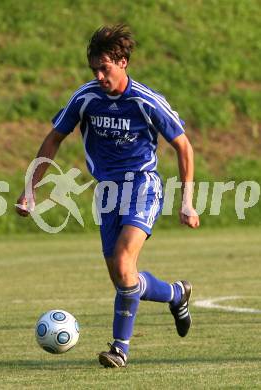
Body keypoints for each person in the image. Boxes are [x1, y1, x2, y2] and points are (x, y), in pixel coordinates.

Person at [16, 24, 199, 368]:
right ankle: (177, 294)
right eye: (95, 69)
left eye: (106, 68)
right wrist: (30, 191)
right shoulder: (86, 98)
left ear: (123, 62)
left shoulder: (146, 101)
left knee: (125, 261)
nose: (99, 75)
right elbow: (53, 139)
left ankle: (119, 349)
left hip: (143, 187)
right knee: (123, 276)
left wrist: (187, 201)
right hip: (107, 193)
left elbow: (183, 146)